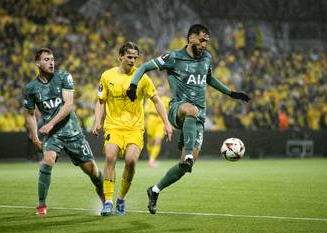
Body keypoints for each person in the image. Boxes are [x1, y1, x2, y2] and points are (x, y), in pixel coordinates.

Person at [126, 24, 250, 214]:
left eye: (206, 41)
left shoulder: (207, 57)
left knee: (185, 165)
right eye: (201, 40)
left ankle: (155, 190)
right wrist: (133, 85)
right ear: (191, 38)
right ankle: (188, 147)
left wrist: (231, 93)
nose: (204, 44)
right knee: (191, 111)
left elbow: (209, 79)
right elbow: (144, 66)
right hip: (179, 109)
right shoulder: (174, 57)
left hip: (198, 115)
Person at [93, 42, 172, 216]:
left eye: (135, 57)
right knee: (110, 157)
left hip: (135, 129)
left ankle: (121, 197)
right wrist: (97, 121)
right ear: (120, 56)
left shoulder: (142, 77)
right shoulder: (107, 76)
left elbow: (157, 100)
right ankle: (108, 201)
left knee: (131, 161)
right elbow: (100, 101)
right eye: (129, 56)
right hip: (113, 126)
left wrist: (166, 123)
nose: (132, 60)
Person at [24, 48, 104, 216]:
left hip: (73, 132)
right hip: (53, 136)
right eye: (46, 59)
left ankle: (106, 200)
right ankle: (41, 205)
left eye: (52, 59)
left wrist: (50, 124)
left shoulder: (64, 77)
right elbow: (30, 114)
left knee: (94, 172)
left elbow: (68, 105)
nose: (51, 62)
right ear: (37, 63)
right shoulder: (31, 88)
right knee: (47, 160)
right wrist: (35, 139)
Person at [145, 84, 171, 168]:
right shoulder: (151, 99)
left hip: (161, 123)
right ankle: (151, 157)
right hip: (151, 121)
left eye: (163, 90)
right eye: (159, 90)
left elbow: (168, 111)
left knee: (158, 140)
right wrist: (154, 110)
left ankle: (151, 160)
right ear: (156, 90)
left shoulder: (167, 100)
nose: (161, 91)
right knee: (150, 142)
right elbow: (145, 110)